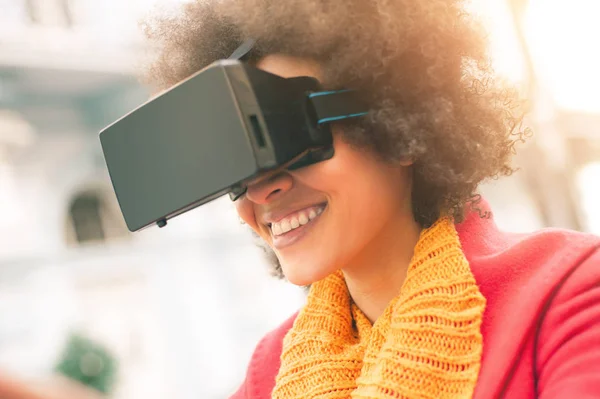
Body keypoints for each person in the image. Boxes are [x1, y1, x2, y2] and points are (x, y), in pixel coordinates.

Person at [1, 0, 598, 398]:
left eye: (288, 134)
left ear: (400, 125)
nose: (262, 189)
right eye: (237, 166)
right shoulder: (276, 367)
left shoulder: (570, 293)